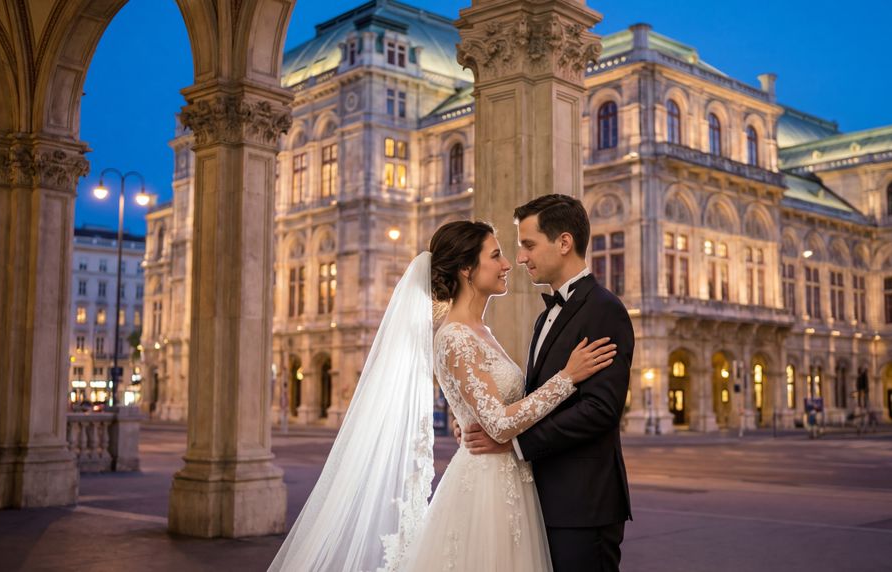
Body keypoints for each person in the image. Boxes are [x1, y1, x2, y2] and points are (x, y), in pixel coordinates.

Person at [268, 218, 618, 571]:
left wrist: (465, 417)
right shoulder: (454, 336)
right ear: (467, 269)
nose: (508, 263)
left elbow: (489, 407)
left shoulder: (480, 330)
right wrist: (566, 378)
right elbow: (497, 423)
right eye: (496, 255)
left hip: (509, 478)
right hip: (487, 484)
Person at [460, 194, 635, 571]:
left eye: (528, 245)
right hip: (542, 500)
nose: (520, 258)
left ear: (564, 242)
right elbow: (534, 396)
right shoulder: (544, 318)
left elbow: (600, 410)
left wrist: (513, 443)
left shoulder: (604, 309)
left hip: (583, 505)